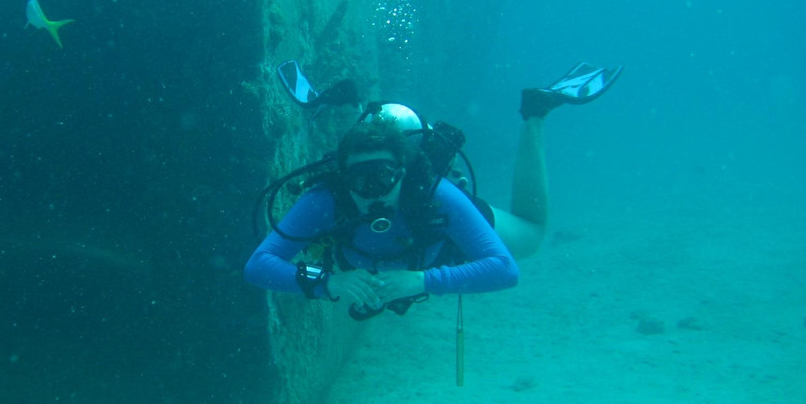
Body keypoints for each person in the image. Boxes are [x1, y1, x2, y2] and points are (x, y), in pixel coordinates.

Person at [244, 63, 621, 318]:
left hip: (436, 235)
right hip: (399, 238)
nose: (373, 190)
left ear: (403, 174)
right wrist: (329, 283)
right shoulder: (326, 199)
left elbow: (505, 270)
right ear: (343, 180)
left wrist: (424, 280)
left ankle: (534, 114)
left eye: (384, 176)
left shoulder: (434, 194)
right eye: (360, 179)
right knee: (365, 149)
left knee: (532, 234)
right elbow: (258, 266)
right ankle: (348, 105)